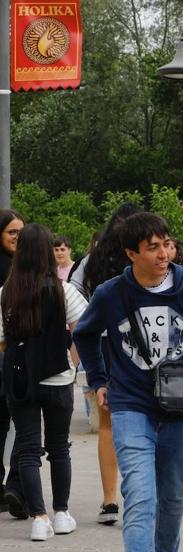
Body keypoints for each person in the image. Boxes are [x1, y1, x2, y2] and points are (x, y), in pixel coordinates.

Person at [72, 213, 183, 551]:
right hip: (130, 406)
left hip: (181, 408)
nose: (164, 254)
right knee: (140, 498)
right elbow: (85, 334)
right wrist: (98, 378)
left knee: (171, 496)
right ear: (131, 254)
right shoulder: (111, 293)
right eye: (153, 248)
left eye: (168, 245)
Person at [0, 224, 87, 540]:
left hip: (21, 380)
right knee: (59, 448)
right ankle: (61, 513)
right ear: (48, 252)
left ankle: (38, 518)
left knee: (27, 449)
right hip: (58, 379)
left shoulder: (6, 293)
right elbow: (83, 331)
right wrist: (73, 366)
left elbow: (1, 342)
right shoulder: (64, 290)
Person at [73, 202, 142, 525]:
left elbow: (72, 295)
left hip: (101, 343)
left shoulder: (92, 260)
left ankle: (109, 499)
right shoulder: (143, 257)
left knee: (107, 425)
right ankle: (139, 494)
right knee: (146, 420)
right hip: (141, 346)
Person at [0, 208, 23, 513]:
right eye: (11, 232)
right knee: (24, 423)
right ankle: (18, 484)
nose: (17, 237)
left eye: (20, 232)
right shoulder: (12, 271)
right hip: (12, 356)